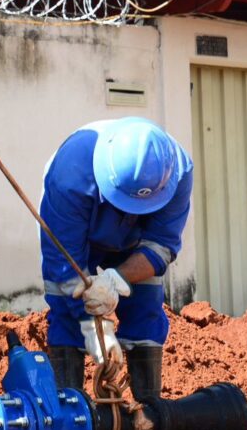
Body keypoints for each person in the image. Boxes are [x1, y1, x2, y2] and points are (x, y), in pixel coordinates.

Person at [39, 117, 193, 403]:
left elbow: (161, 245)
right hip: (80, 230)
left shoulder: (178, 171)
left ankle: (150, 412)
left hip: (135, 240)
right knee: (65, 303)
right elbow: (64, 261)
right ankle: (70, 415)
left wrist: (116, 278)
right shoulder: (68, 175)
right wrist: (91, 326)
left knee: (145, 306)